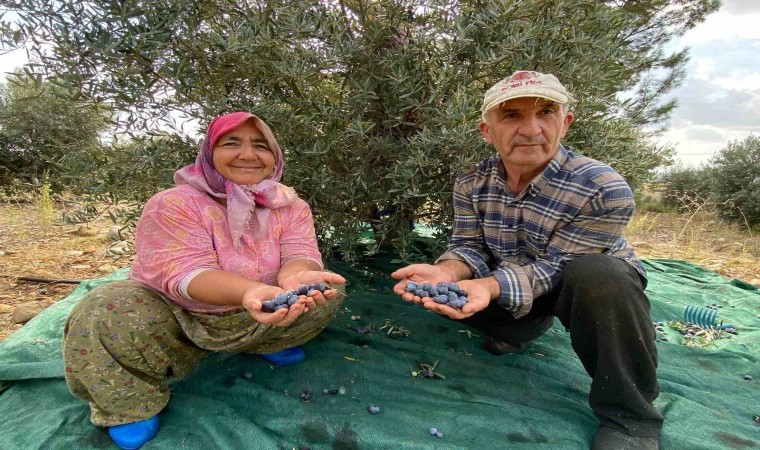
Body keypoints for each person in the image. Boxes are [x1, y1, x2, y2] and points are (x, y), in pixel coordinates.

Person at [391, 71, 662, 449]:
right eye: (512, 115)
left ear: (564, 123)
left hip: (581, 287)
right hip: (511, 282)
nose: (531, 129)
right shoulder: (471, 182)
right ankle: (521, 329)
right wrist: (445, 271)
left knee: (601, 276)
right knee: (443, 292)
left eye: (546, 112)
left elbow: (560, 266)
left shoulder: (603, 188)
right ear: (488, 131)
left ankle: (631, 419)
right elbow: (471, 246)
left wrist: (488, 286)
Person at [62, 112, 346, 449]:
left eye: (260, 145)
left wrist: (299, 275)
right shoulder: (174, 204)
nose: (248, 154)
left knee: (324, 289)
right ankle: (130, 406)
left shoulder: (289, 204)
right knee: (104, 309)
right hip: (179, 318)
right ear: (209, 153)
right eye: (231, 143)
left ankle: (266, 342)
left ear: (275, 156)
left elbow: (298, 251)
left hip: (262, 309)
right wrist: (251, 291)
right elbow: (185, 273)